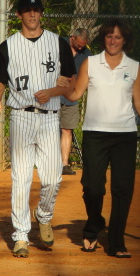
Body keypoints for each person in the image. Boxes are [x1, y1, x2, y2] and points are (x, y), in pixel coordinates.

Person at [0, 0, 76, 258]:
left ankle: (43, 214)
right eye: (27, 10)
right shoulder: (8, 46)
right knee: (21, 179)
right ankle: (21, 235)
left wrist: (53, 91)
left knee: (53, 177)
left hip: (49, 116)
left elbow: (69, 81)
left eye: (36, 10)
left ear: (41, 13)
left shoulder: (58, 43)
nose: (32, 14)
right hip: (21, 115)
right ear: (20, 15)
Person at [61, 19, 140, 258]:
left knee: (123, 189)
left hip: (124, 136)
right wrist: (61, 86)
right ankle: (94, 224)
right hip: (94, 134)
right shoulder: (90, 63)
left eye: (117, 37)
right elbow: (75, 94)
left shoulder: (134, 67)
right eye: (109, 36)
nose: (113, 41)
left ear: (124, 40)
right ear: (103, 39)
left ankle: (117, 241)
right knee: (93, 187)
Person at [60, 28, 91, 175]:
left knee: (67, 129)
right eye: (78, 45)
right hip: (53, 94)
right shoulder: (58, 44)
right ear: (72, 37)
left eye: (83, 46)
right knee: (49, 130)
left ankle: (64, 164)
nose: (80, 48)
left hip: (72, 97)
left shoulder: (86, 54)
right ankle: (48, 162)